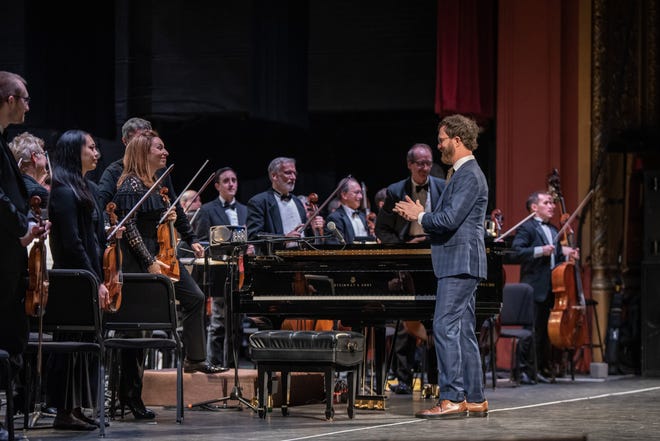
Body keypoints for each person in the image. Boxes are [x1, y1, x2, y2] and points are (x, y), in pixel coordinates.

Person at [111, 130, 225, 420]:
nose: (166, 153)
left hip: (163, 255)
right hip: (140, 259)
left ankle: (195, 358)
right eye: (159, 148)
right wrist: (148, 260)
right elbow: (131, 227)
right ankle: (129, 396)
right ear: (142, 152)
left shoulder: (157, 184)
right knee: (137, 329)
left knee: (195, 297)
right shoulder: (129, 185)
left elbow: (158, 222)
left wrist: (171, 219)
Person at [394, 114, 489, 418]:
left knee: (445, 326)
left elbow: (449, 220)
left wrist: (419, 217)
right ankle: (474, 398)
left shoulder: (468, 174)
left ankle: (451, 397)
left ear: (457, 140)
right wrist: (423, 214)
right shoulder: (461, 174)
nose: (439, 146)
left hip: (460, 262)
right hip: (461, 261)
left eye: (443, 140)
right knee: (462, 331)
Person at [46, 129, 110, 430]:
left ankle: (78, 406)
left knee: (84, 345)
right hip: (73, 279)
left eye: (97, 147)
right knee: (70, 345)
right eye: (91, 147)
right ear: (75, 151)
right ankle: (63, 410)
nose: (96, 153)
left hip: (88, 275)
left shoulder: (87, 188)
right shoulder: (61, 189)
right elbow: (72, 243)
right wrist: (92, 278)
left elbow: (96, 237)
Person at [375, 143, 445, 395]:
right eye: (420, 164)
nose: (426, 168)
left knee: (437, 321)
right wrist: (403, 247)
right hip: (407, 257)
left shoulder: (442, 187)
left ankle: (437, 380)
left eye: (428, 163)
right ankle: (404, 378)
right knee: (407, 321)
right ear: (410, 165)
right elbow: (381, 230)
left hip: (434, 255)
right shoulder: (395, 191)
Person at [509, 191, 580, 382]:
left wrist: (568, 254)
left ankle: (540, 368)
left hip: (552, 288)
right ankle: (523, 371)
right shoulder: (527, 228)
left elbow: (555, 255)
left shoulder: (554, 229)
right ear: (534, 207)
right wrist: (541, 250)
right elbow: (515, 253)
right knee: (531, 330)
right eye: (547, 202)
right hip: (533, 287)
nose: (552, 206)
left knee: (544, 332)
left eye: (552, 203)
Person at [194, 167, 249, 367]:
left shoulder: (244, 210)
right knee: (218, 323)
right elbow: (201, 241)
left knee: (237, 324)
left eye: (234, 180)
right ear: (217, 186)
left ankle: (233, 367)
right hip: (219, 272)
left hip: (241, 273)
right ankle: (214, 365)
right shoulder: (207, 210)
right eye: (226, 181)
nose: (231, 184)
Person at [246, 157, 324, 247]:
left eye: (294, 173)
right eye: (288, 173)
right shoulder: (258, 202)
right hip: (274, 259)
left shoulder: (298, 202)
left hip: (301, 258)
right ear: (274, 176)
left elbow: (305, 236)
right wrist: (284, 238)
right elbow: (254, 235)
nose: (293, 177)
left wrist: (314, 229)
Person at [325, 177, 374, 244]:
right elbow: (335, 247)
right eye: (357, 192)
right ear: (344, 195)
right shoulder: (334, 218)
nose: (361, 196)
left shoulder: (363, 216)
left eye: (361, 192)